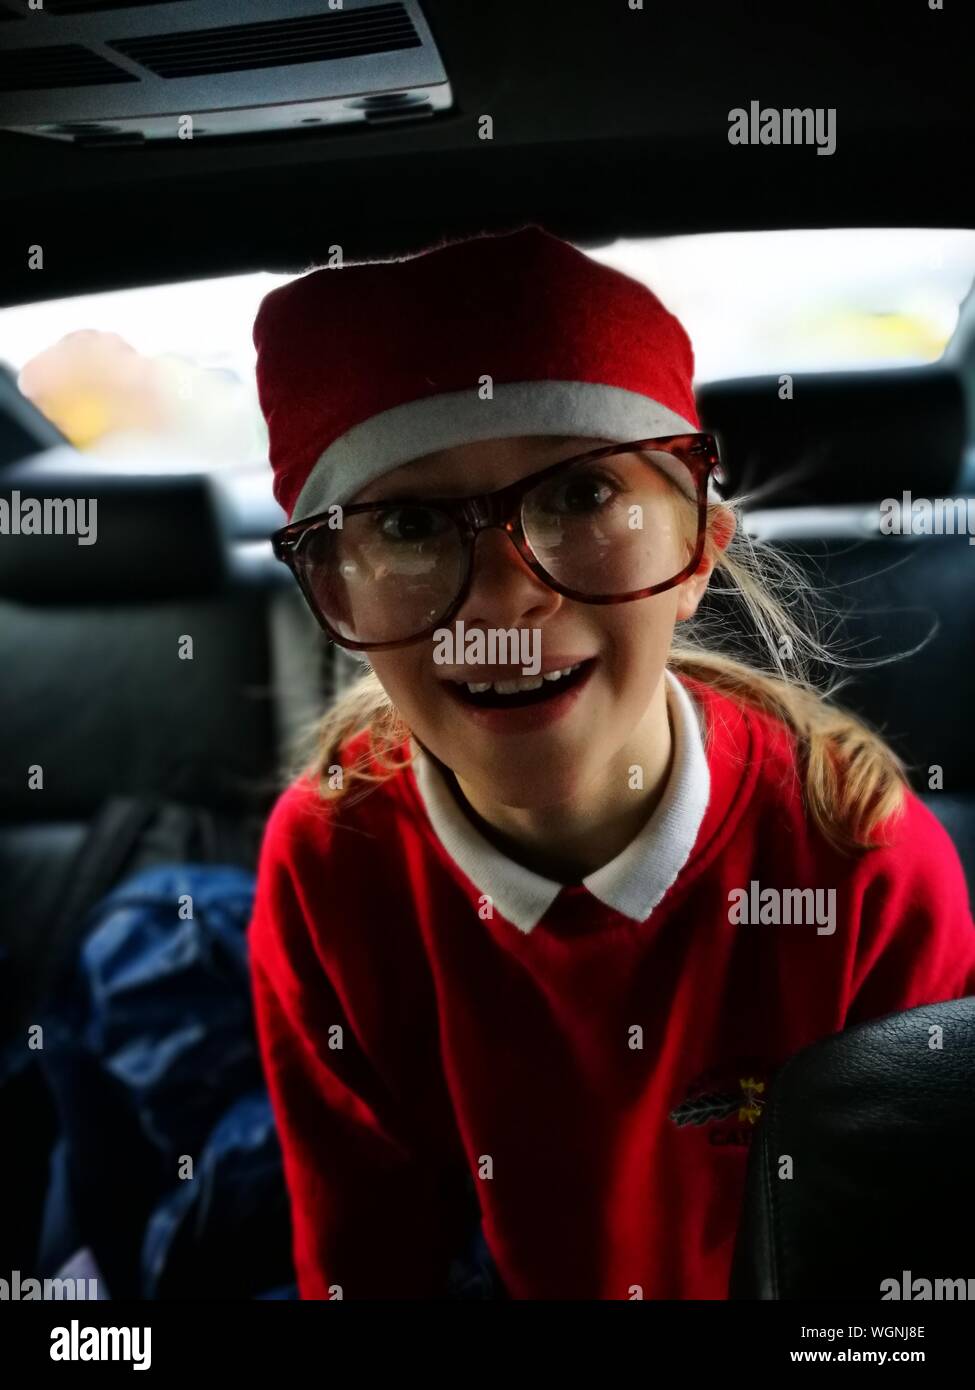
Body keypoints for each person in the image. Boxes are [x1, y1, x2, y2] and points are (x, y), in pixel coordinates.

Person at [246, 225, 975, 1300]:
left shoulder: (859, 860)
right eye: (407, 521)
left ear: (696, 554)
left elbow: (902, 1266)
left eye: (580, 495)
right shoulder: (329, 858)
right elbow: (363, 1253)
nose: (502, 597)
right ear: (337, 596)